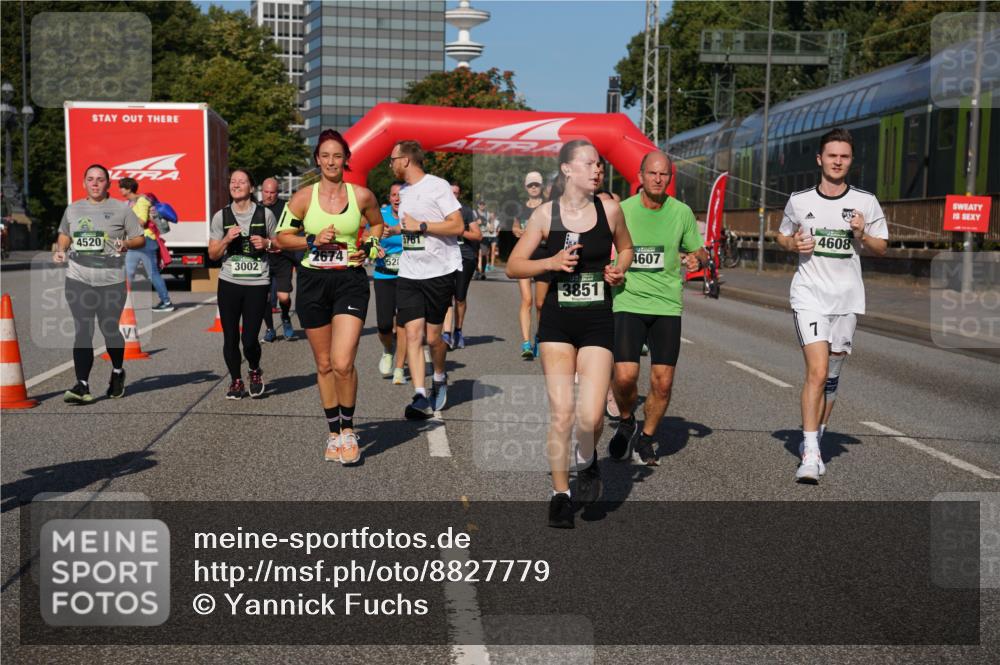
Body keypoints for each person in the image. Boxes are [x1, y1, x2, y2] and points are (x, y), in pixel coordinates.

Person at [506, 140, 633, 529]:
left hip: (597, 320)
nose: (598, 170)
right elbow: (513, 266)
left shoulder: (609, 209)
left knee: (591, 415)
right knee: (562, 413)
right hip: (559, 323)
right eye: (590, 164)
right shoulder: (546, 215)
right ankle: (560, 494)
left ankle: (589, 458)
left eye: (600, 164)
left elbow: (626, 249)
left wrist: (619, 270)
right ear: (566, 170)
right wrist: (551, 261)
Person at [776, 127, 888, 483]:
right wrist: (793, 244)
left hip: (847, 298)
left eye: (844, 156)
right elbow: (781, 234)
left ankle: (818, 437)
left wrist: (861, 233)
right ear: (819, 159)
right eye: (832, 155)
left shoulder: (865, 202)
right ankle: (809, 455)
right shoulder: (800, 200)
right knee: (818, 371)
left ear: (850, 161)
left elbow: (882, 246)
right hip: (809, 294)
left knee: (832, 378)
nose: (837, 161)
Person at [275, 129, 384, 465]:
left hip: (350, 280)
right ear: (317, 160)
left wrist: (368, 248)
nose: (332, 161)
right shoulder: (303, 198)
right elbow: (280, 237)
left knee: (342, 362)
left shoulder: (362, 196)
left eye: (338, 155)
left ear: (346, 159)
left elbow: (378, 227)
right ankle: (333, 432)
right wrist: (311, 239)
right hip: (312, 282)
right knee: (323, 365)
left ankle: (349, 430)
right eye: (326, 156)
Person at [607, 151, 708, 465]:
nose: (658, 179)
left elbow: (701, 251)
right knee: (625, 377)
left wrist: (696, 259)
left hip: (666, 305)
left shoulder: (681, 212)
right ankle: (627, 419)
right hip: (628, 299)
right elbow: (602, 250)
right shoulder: (621, 210)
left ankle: (646, 439)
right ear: (640, 175)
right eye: (652, 173)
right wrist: (607, 270)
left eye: (664, 174)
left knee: (662, 381)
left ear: (670, 178)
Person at [55, 164, 146, 403]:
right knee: (83, 329)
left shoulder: (121, 209)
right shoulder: (73, 209)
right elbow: (65, 233)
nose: (95, 183)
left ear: (108, 183)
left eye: (100, 179)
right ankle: (82, 385)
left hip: (111, 280)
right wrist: (61, 249)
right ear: (84, 182)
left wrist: (126, 244)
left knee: (109, 330)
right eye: (90, 179)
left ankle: (117, 372)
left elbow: (139, 238)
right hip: (78, 277)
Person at [389, 140, 465, 420]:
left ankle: (440, 376)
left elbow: (457, 225)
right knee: (412, 334)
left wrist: (421, 226)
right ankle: (420, 395)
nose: (391, 164)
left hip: (439, 271)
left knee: (434, 338)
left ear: (406, 160)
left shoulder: (438, 186)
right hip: (410, 272)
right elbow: (411, 228)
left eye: (392, 159)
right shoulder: (405, 192)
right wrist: (394, 230)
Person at [208, 169, 278, 401]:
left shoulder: (265, 214)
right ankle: (236, 381)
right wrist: (227, 240)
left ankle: (255, 370)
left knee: (249, 339)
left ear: (251, 187)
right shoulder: (221, 216)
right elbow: (213, 254)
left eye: (242, 181)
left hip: (257, 283)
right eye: (233, 181)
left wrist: (267, 243)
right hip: (229, 282)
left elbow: (279, 244)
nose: (236, 185)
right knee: (230, 337)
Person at [119, 177, 174, 312]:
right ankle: (120, 303)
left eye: (121, 187)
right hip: (137, 242)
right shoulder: (130, 203)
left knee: (152, 274)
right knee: (128, 272)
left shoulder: (142, 201)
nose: (120, 190)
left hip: (146, 241)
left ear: (128, 189)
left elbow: (142, 221)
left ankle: (166, 302)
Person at [374, 181, 408, 384]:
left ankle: (399, 368)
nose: (397, 198)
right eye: (394, 194)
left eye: (401, 194)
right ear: (389, 198)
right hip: (384, 275)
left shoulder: (412, 217)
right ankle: (388, 350)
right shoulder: (381, 215)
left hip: (408, 276)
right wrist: (375, 246)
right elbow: (369, 236)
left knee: (403, 323)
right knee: (385, 324)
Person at [511, 171, 548, 359]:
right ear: (526, 187)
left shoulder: (548, 207)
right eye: (530, 185)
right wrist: (519, 232)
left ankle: (539, 338)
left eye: (537, 185)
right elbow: (514, 227)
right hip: (525, 257)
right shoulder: (519, 208)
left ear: (541, 186)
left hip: (543, 256)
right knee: (527, 300)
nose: (534, 188)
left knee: (541, 303)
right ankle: (526, 343)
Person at [442, 181, 482, 350]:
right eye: (450, 192)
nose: (453, 195)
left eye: (456, 193)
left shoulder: (465, 211)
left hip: (465, 258)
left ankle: (458, 331)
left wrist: (460, 231)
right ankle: (446, 334)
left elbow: (478, 235)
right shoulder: (439, 210)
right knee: (446, 296)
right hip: (444, 258)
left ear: (459, 195)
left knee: (459, 297)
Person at [259, 177, 296, 343]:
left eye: (272, 192)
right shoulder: (255, 209)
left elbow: (297, 227)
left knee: (284, 298)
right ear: (261, 192)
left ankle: (286, 317)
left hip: (283, 258)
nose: (269, 196)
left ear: (277, 193)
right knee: (264, 298)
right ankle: (270, 329)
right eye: (266, 192)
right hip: (262, 258)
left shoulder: (286, 207)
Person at [476, 199, 497, 278]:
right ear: (478, 205)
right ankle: (477, 271)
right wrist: (476, 223)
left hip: (484, 237)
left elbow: (491, 230)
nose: (482, 205)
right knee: (475, 255)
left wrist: (491, 221)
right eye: (480, 204)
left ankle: (483, 272)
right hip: (474, 236)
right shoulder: (474, 213)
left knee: (484, 255)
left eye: (483, 204)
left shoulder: (488, 214)